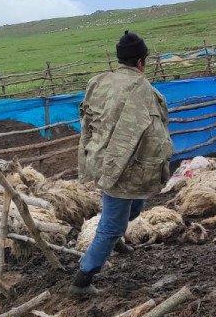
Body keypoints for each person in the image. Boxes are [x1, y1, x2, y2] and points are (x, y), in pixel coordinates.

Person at [72, 31, 173, 296]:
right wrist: (159, 164)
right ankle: (82, 279)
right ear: (141, 62)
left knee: (135, 205)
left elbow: (86, 119)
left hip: (100, 158)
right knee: (111, 223)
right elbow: (154, 133)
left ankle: (115, 238)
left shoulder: (98, 82)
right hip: (122, 165)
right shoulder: (144, 90)